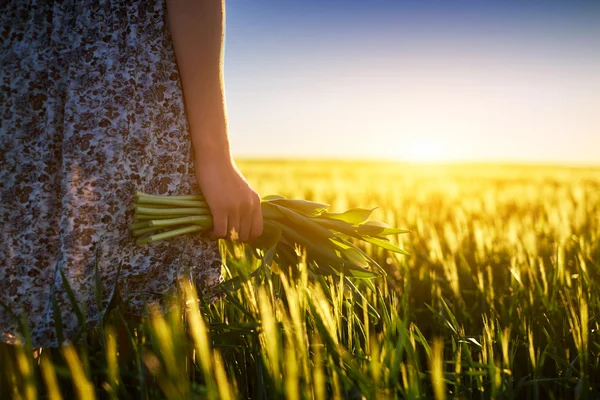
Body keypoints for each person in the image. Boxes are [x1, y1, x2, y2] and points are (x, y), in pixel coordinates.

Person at [0, 0, 262, 348]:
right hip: (64, 91)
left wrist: (214, 156)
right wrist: (213, 156)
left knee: (128, 313)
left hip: (86, 91)